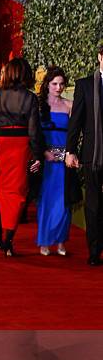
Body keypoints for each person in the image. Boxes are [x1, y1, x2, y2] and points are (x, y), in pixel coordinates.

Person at [0, 58, 44, 256]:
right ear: (25, 74)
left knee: (4, 191)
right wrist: (37, 155)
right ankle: (7, 241)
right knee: (17, 196)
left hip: (2, 146)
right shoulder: (30, 98)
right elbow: (34, 131)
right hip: (21, 146)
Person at [66, 44, 103, 266]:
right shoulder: (85, 86)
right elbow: (76, 122)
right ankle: (95, 249)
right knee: (93, 203)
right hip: (92, 153)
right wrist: (70, 151)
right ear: (100, 57)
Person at [37, 67, 73, 256]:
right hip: (47, 161)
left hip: (64, 160)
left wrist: (70, 154)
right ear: (47, 85)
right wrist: (43, 152)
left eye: (61, 84)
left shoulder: (69, 105)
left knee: (63, 203)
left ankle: (60, 241)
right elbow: (34, 134)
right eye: (54, 84)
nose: (58, 87)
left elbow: (75, 134)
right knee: (47, 201)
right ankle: (44, 241)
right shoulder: (39, 106)